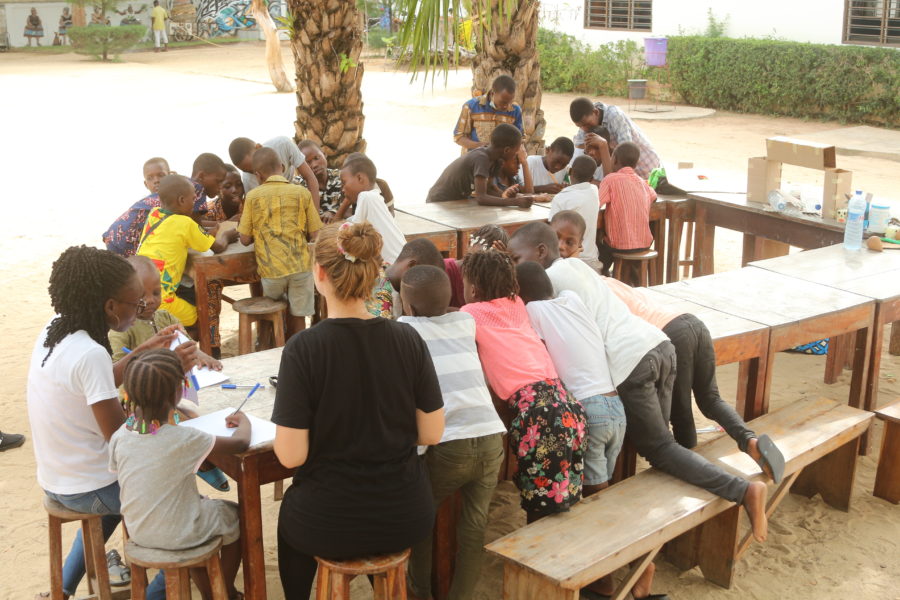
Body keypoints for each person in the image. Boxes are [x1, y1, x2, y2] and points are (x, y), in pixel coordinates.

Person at [506, 223, 770, 543]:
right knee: (662, 446)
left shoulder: (549, 280)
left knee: (660, 449)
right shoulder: (577, 266)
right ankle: (664, 530)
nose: (514, 267)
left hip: (630, 364)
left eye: (516, 259)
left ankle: (742, 490)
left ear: (540, 252)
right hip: (658, 344)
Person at [271, 222, 445, 599]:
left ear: (319, 273)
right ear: (374, 274)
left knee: (289, 518)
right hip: (405, 514)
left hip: (328, 520)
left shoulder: (303, 349)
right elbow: (432, 433)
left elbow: (290, 456)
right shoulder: (407, 338)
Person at [27, 246, 180, 600]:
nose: (141, 310)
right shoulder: (91, 353)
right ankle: (155, 593)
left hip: (57, 477)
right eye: (136, 304)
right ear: (111, 307)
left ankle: (63, 589)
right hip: (88, 486)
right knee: (179, 507)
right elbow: (123, 440)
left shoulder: (56, 331)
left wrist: (144, 351)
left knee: (115, 503)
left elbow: (97, 382)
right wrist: (166, 412)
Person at [515, 262, 662, 600]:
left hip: (589, 413)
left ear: (520, 294)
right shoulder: (571, 299)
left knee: (598, 505)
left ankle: (627, 570)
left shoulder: (532, 312)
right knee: (601, 496)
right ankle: (613, 570)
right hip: (614, 407)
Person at [602, 275, 785, 480]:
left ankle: (691, 472)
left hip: (668, 335)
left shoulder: (596, 294)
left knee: (681, 414)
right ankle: (750, 440)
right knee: (711, 399)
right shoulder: (611, 281)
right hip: (692, 322)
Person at [399, 266, 507, 600]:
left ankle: (420, 592)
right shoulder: (465, 321)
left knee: (420, 518)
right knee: (474, 526)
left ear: (409, 307)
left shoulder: (406, 329)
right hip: (491, 437)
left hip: (450, 445)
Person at [110, 349, 249, 600]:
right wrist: (244, 421)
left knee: (195, 512)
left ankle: (212, 593)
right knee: (236, 514)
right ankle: (224, 592)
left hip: (138, 531)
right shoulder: (184, 437)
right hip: (181, 532)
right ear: (177, 392)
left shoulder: (120, 436)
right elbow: (240, 444)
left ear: (129, 392)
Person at [459, 250, 586, 522]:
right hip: (566, 403)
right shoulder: (516, 304)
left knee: (541, 510)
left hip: (539, 416)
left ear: (474, 289)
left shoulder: (470, 313)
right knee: (562, 498)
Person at [238, 147, 323, 337]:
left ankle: (273, 344)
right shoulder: (302, 193)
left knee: (273, 313)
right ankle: (298, 345)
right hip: (300, 267)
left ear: (258, 175)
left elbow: (244, 239)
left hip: (271, 271)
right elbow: (316, 233)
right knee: (299, 316)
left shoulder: (252, 197)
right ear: (283, 167)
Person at [137, 174, 238, 331]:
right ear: (182, 200)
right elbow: (218, 246)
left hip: (141, 296)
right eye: (193, 198)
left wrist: (207, 233)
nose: (194, 202)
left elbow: (177, 235)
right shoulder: (185, 223)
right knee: (199, 317)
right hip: (162, 301)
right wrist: (227, 235)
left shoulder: (154, 214)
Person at [102, 156, 212, 257]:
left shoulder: (158, 205)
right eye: (150, 178)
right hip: (122, 243)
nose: (156, 181)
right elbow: (195, 225)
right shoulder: (175, 196)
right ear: (146, 184)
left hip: (113, 238)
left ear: (170, 175)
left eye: (161, 175)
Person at [427, 123, 538, 207]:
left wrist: (508, 196)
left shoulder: (497, 161)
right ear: (507, 150)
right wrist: (515, 202)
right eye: (516, 151)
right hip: (439, 201)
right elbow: (481, 197)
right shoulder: (482, 158)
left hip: (455, 201)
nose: (516, 154)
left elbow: (489, 189)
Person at [596, 142, 658, 277]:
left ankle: (605, 276)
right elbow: (654, 196)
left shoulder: (610, 180)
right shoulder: (642, 182)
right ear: (635, 164)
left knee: (597, 245)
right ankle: (630, 278)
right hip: (644, 243)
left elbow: (597, 204)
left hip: (618, 245)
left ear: (615, 159)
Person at [569, 97, 661, 179]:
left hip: (646, 165)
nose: (584, 129)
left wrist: (603, 147)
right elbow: (579, 147)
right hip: (623, 169)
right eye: (580, 126)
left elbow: (626, 151)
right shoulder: (586, 121)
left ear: (596, 112)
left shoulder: (614, 115)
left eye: (586, 124)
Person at [337, 154, 405, 264]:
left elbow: (353, 234)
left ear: (360, 178)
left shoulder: (365, 197)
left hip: (393, 264)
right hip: (400, 260)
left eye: (344, 183)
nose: (343, 189)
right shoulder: (375, 197)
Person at [228, 136, 320, 204]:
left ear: (259, 147)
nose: (256, 173)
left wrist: (315, 216)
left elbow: (310, 177)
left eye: (254, 165)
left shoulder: (283, 144)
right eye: (249, 172)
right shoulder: (248, 180)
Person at [549, 155, 602, 270]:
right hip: (591, 259)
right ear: (591, 178)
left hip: (568, 260)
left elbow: (551, 229)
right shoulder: (594, 191)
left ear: (570, 171)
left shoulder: (561, 198)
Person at [453, 75, 524, 152]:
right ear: (493, 93)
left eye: (510, 101)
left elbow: (520, 139)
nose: (507, 106)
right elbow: (458, 137)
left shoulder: (515, 110)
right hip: (476, 157)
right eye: (503, 102)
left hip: (502, 159)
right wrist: (479, 146)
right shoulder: (471, 106)